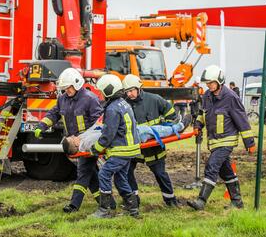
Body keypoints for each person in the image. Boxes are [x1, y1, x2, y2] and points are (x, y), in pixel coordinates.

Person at [34, 67, 109, 213]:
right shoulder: (62, 99)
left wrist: (88, 139)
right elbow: (54, 114)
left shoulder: (90, 99)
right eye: (64, 88)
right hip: (75, 143)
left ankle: (74, 205)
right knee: (91, 173)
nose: (66, 91)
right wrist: (42, 125)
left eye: (68, 88)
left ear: (76, 84)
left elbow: (99, 124)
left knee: (83, 172)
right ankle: (106, 201)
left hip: (86, 143)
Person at [187, 65, 255, 211]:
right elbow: (201, 113)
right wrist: (198, 125)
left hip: (227, 140)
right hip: (214, 142)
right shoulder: (206, 96)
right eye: (207, 83)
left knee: (211, 165)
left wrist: (249, 142)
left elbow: (242, 120)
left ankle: (201, 201)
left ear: (219, 81)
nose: (208, 85)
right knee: (226, 172)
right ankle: (237, 203)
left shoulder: (231, 97)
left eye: (211, 83)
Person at [122, 74, 192, 207]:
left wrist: (164, 127)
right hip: (135, 148)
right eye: (127, 92)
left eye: (131, 90)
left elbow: (171, 114)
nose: (129, 94)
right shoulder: (125, 105)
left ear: (139, 88)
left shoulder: (154, 99)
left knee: (160, 173)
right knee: (127, 172)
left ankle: (170, 200)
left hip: (154, 147)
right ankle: (133, 200)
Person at [91, 74, 141, 218]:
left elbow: (108, 134)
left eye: (101, 92)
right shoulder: (123, 103)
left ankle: (104, 210)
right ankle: (133, 209)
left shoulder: (112, 109)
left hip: (121, 150)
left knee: (104, 173)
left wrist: (96, 148)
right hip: (129, 149)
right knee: (120, 178)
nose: (100, 95)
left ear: (108, 91)